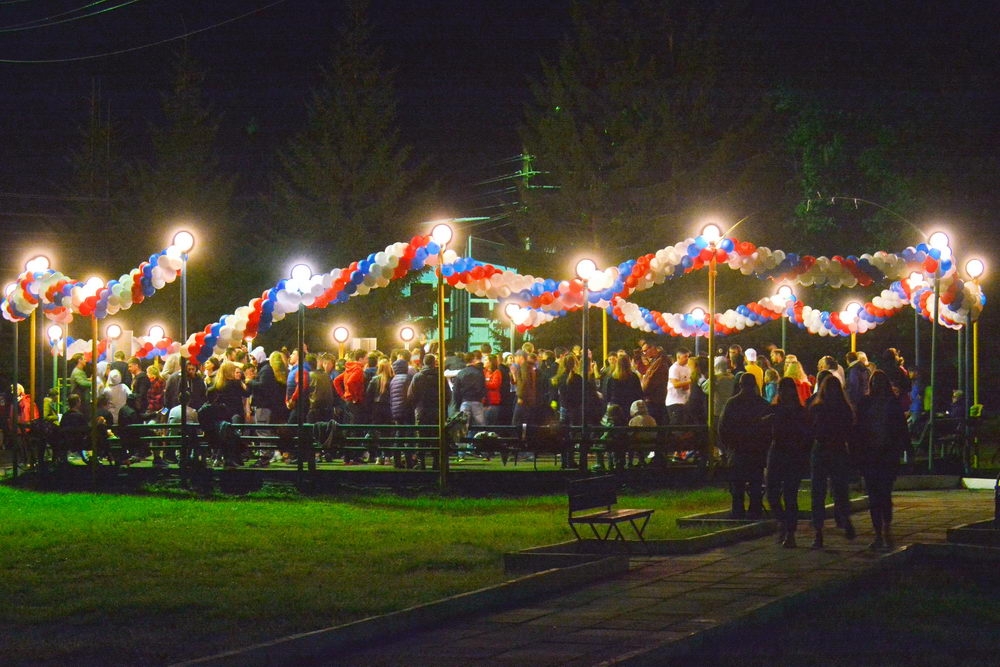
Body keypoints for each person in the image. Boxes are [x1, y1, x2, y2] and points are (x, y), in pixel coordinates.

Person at [855, 370, 910, 550]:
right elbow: (858, 429)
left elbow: (901, 428)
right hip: (871, 455)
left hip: (885, 455)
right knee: (874, 496)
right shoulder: (866, 403)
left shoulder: (890, 404)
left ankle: (885, 529)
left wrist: (907, 448)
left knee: (883, 494)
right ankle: (879, 532)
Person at [808, 374, 856, 549]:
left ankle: (819, 532)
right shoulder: (844, 408)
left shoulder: (818, 407)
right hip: (836, 450)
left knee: (819, 492)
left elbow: (811, 430)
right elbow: (850, 431)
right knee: (839, 489)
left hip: (822, 450)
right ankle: (844, 520)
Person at [718, 373, 772, 520]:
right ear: (755, 385)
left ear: (740, 385)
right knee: (755, 484)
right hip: (756, 450)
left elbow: (722, 428)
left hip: (738, 450)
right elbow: (769, 429)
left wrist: (728, 447)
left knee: (737, 486)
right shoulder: (762, 404)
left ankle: (738, 512)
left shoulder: (732, 403)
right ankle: (755, 512)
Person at [766, 377, 812, 548]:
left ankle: (790, 532)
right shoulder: (774, 409)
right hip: (777, 452)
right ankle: (783, 521)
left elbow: (807, 434)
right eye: (782, 389)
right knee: (771, 491)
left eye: (788, 389)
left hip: (793, 454)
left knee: (790, 494)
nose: (784, 392)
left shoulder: (800, 411)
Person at [665, 347, 692, 425]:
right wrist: (690, 381)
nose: (687, 359)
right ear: (678, 357)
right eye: (685, 357)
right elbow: (675, 384)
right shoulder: (674, 368)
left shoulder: (687, 368)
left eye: (688, 356)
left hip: (684, 401)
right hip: (674, 402)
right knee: (677, 425)